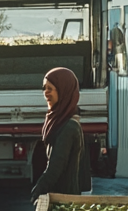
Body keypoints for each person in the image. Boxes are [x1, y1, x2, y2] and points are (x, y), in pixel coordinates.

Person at [30, 66, 90, 203]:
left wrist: (38, 190)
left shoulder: (69, 127)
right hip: (59, 197)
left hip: (65, 200)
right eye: (44, 88)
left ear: (64, 91)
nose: (46, 93)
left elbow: (56, 167)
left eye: (50, 89)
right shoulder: (59, 121)